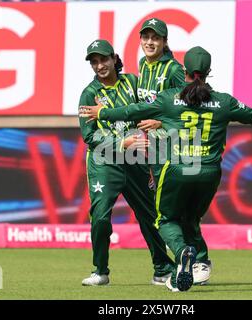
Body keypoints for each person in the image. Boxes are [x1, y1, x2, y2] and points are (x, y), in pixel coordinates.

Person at [79, 46, 252, 291]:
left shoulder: (169, 98)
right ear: (209, 71)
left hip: (177, 170)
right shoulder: (224, 101)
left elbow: (132, 111)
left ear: (185, 71)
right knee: (191, 219)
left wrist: (103, 112)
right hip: (209, 172)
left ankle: (182, 254)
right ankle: (200, 264)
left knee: (165, 219)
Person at [78, 39, 175, 286]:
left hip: (134, 162)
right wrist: (122, 143)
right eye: (95, 62)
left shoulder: (132, 82)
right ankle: (100, 271)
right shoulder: (89, 94)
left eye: (103, 59)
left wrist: (160, 122)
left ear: (114, 58)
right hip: (104, 163)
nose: (100, 65)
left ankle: (162, 269)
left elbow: (152, 105)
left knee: (150, 215)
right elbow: (90, 137)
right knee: (100, 217)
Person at [136, 17, 212, 285]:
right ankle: (179, 263)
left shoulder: (174, 70)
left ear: (165, 41)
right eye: (145, 37)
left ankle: (198, 260)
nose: (149, 42)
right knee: (164, 211)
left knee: (176, 212)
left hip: (175, 148)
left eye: (155, 38)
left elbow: (192, 102)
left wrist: (161, 121)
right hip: (155, 148)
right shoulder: (143, 66)